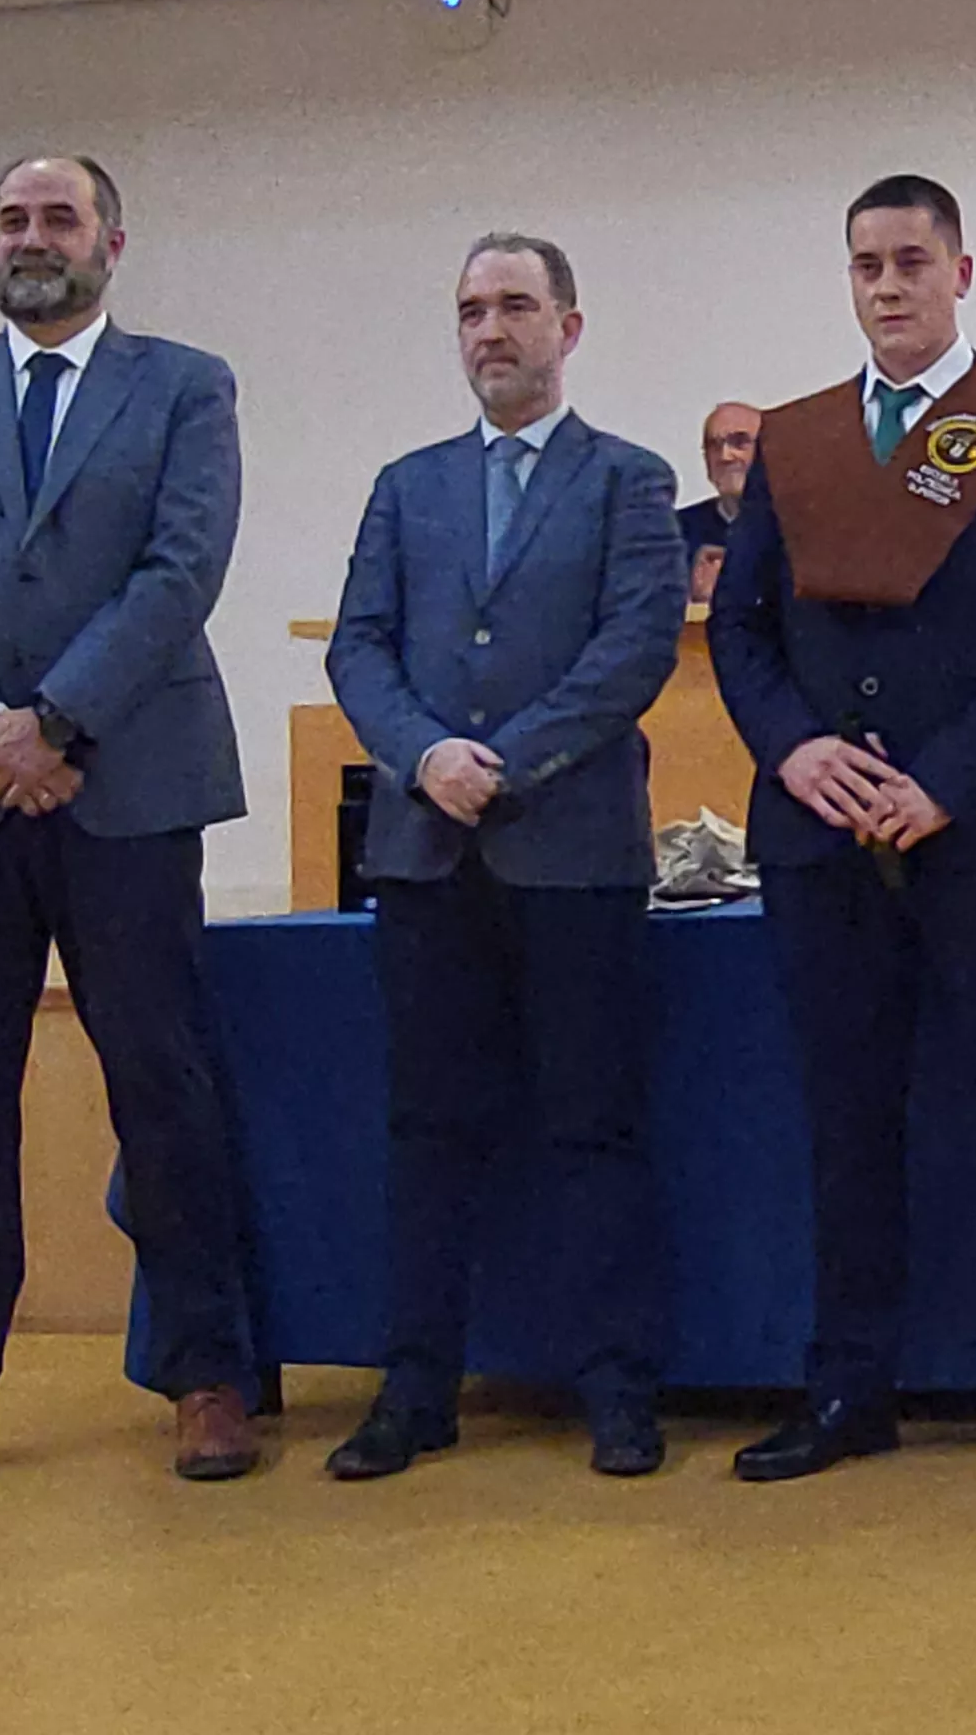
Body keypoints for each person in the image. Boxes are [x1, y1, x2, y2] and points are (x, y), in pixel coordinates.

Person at [707, 173, 976, 1497]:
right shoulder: (794, 439)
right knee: (846, 1126)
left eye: (909, 260)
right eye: (865, 265)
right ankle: (849, 1389)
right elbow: (742, 629)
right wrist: (794, 747)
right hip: (819, 831)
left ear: (962, 271)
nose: (887, 285)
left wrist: (947, 780)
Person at [0, 154, 262, 1496]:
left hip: (127, 788)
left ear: (112, 242)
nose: (34, 239)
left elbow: (181, 567)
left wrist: (56, 723)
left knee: (165, 1086)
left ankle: (209, 1374)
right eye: (13, 221)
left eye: (59, 218)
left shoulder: (186, 385)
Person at [320, 233, 690, 1482]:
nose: (492, 329)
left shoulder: (629, 482)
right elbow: (358, 649)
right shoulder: (404, 484)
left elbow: (632, 650)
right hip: (426, 857)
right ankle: (415, 1387)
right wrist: (426, 756)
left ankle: (617, 1389)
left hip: (574, 856)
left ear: (568, 328)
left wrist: (506, 759)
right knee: (426, 1127)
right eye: (472, 308)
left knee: (595, 1127)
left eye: (517, 306)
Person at [677, 401, 763, 604]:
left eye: (740, 442)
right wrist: (691, 596)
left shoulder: (797, 528)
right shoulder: (674, 531)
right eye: (714, 445)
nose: (725, 456)